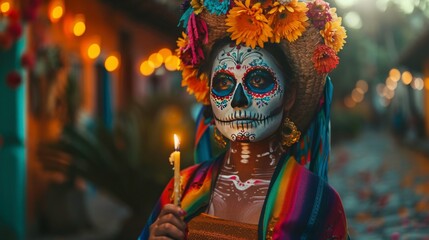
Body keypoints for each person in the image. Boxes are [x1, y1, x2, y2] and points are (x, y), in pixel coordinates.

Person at [139, 0, 348, 239]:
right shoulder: (181, 190)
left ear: (288, 96)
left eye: (258, 81)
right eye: (224, 84)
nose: (238, 100)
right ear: (209, 96)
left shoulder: (316, 202)